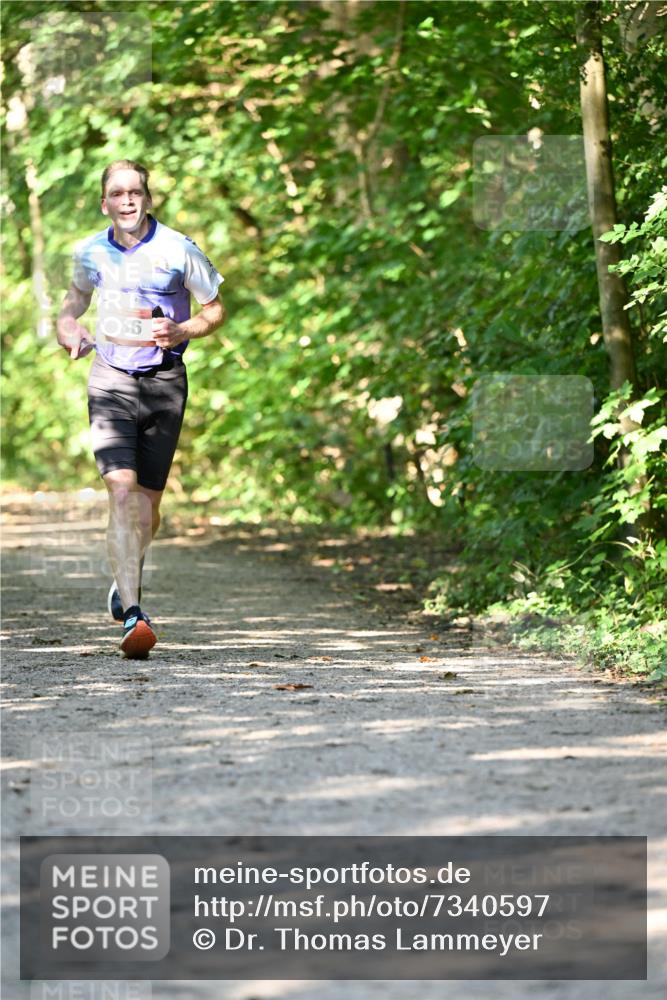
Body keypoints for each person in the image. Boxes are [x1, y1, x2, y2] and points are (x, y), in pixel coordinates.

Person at [56, 159, 226, 658]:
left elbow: (215, 309)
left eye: (136, 192)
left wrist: (183, 330)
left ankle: (123, 574)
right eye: (117, 193)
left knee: (148, 509)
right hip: (109, 381)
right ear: (104, 202)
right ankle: (134, 613)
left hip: (165, 384)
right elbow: (71, 307)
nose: (127, 200)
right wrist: (72, 332)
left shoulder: (179, 250)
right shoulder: (89, 252)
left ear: (147, 199)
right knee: (123, 494)